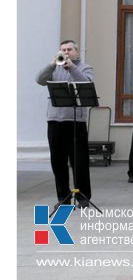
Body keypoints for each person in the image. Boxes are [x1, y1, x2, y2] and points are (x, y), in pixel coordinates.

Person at [35, 40, 95, 209]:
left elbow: (86, 83)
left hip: (75, 121)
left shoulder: (85, 67)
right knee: (57, 161)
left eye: (69, 49)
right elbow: (39, 79)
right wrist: (52, 64)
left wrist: (71, 67)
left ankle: (83, 196)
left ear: (77, 52)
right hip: (55, 120)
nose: (66, 52)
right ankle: (63, 196)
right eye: (63, 50)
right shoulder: (54, 68)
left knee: (79, 160)